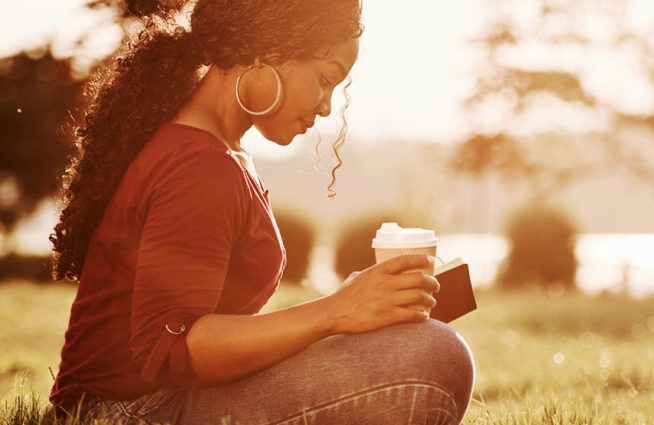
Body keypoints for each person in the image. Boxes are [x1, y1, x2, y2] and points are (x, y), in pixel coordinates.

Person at [47, 0, 475, 423]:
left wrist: (352, 311)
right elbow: (170, 348)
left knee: (417, 345)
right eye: (325, 78)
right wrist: (334, 312)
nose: (327, 106)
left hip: (163, 400)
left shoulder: (218, 152)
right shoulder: (200, 166)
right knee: (434, 355)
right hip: (127, 413)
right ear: (268, 52)